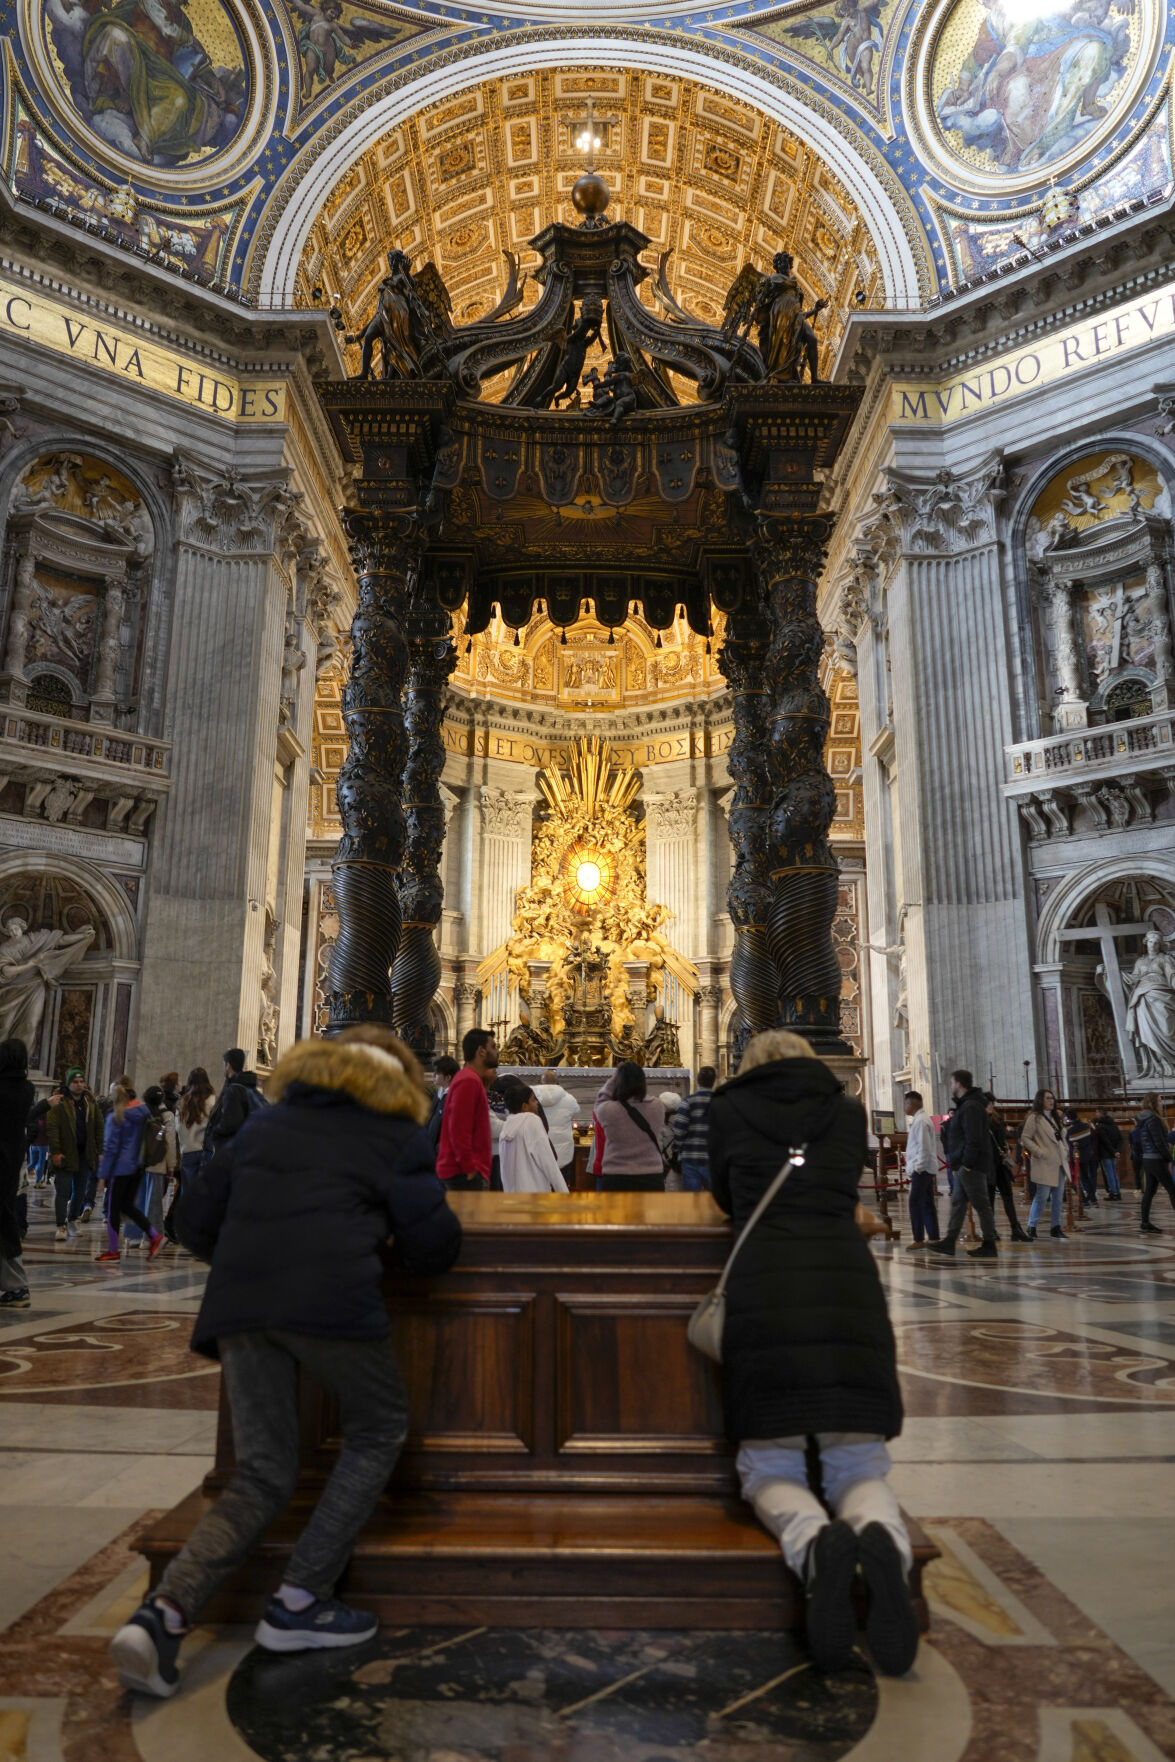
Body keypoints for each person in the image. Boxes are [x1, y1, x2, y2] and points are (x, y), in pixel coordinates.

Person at [109, 1026, 462, 1699]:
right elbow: (434, 1243)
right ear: (393, 1079)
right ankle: (300, 1599)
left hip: (241, 1306)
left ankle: (161, 1617)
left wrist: (252, 1256)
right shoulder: (392, 1131)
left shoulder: (269, 1126)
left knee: (262, 1473)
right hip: (331, 1299)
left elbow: (191, 1220)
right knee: (378, 1426)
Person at [708, 1029, 917, 1678]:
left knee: (770, 1463)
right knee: (855, 1458)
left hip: (764, 1281)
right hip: (844, 1279)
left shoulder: (727, 1108)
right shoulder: (846, 1109)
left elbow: (723, 1194)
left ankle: (813, 1546)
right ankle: (881, 1539)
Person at [926, 1071, 998, 1261]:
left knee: (981, 1205)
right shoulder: (968, 1105)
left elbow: (973, 1137)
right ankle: (949, 1241)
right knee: (958, 1203)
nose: (950, 1086)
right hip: (963, 1164)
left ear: (958, 1084)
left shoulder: (971, 1106)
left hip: (970, 1165)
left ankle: (990, 1244)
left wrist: (967, 1163)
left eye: (951, 1082)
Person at [95, 1080, 164, 1263]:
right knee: (127, 1206)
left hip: (120, 1169)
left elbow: (110, 1148)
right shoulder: (142, 1113)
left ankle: (112, 1250)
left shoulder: (115, 1117)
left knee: (112, 1210)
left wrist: (102, 1175)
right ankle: (154, 1235)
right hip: (137, 1167)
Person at [592, 1062, 671, 1192]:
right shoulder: (657, 1106)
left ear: (619, 1082)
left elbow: (600, 1102)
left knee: (617, 1213)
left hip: (616, 1175)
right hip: (651, 1174)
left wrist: (613, 1079)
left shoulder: (609, 1109)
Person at [435, 1029, 498, 1190]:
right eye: (493, 1046)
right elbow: (458, 1129)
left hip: (466, 1171)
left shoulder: (471, 1079)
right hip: (462, 1173)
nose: (497, 1051)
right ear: (481, 1051)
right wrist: (470, 1168)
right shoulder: (468, 1081)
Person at [46, 1068, 102, 1240]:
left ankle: (73, 1220)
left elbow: (99, 1128)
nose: (79, 1085)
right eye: (75, 1082)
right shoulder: (59, 1103)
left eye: (81, 1081)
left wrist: (99, 1151)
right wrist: (55, 1151)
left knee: (80, 1190)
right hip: (65, 1152)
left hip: (84, 1153)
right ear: (69, 1084)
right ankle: (61, 1225)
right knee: (64, 1190)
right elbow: (52, 1128)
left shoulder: (90, 1103)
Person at [0, 1038, 35, 1309]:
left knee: (5, 1223)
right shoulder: (27, 1089)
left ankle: (18, 1285)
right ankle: (16, 1285)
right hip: (11, 1163)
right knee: (6, 1219)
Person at [498, 1083, 570, 1194]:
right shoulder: (532, 1121)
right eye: (533, 1100)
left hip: (511, 1195)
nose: (537, 1103)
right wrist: (564, 1193)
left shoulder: (507, 1126)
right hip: (534, 1195)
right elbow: (548, 1162)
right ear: (524, 1106)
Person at [1020, 1088, 1068, 1239]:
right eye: (1048, 1098)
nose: (1051, 1101)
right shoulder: (1034, 1117)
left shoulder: (1055, 1118)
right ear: (1040, 1100)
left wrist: (1065, 1149)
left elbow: (1061, 1137)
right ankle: (1031, 1226)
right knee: (1042, 1195)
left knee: (1059, 1196)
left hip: (1059, 1161)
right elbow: (1025, 1138)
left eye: (1052, 1098)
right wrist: (1039, 1152)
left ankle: (1056, 1226)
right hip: (1044, 1161)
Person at [204, 1048, 267, 1163]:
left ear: (228, 1065)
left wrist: (216, 1132)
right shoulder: (251, 1089)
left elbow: (231, 1123)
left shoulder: (233, 1090)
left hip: (233, 1153)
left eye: (224, 1064)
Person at [985, 1094, 1029, 1242]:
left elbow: (1001, 1139)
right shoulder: (979, 1120)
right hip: (988, 1166)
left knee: (1008, 1196)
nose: (991, 1105)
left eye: (992, 1102)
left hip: (1001, 1164)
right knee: (989, 1200)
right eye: (988, 1103)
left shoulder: (997, 1119)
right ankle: (991, 1230)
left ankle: (1015, 1229)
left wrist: (1008, 1147)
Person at [175, 1068, 216, 1228]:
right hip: (206, 1151)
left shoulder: (183, 1102)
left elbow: (178, 1128)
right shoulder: (212, 1100)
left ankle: (190, 1227)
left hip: (187, 1151)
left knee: (189, 1192)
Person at [141, 1084, 179, 1242]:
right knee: (154, 1202)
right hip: (158, 1163)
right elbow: (169, 1142)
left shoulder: (140, 1112)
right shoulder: (167, 1116)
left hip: (140, 1163)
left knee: (139, 1199)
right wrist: (172, 1165)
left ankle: (135, 1235)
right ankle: (151, 1237)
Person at [902, 1091, 940, 1248]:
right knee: (926, 1202)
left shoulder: (921, 1122)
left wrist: (917, 1168)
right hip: (922, 1169)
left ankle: (918, 1239)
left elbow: (923, 1148)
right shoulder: (920, 1119)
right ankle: (933, 1237)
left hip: (922, 1170)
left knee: (915, 1203)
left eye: (905, 1104)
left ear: (911, 1104)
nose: (904, 1107)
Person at [1136, 1093, 1175, 1237]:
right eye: (1159, 1100)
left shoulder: (1144, 1118)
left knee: (1150, 1191)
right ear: (1153, 1102)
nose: (1161, 1103)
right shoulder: (1153, 1119)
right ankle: (1145, 1223)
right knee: (1172, 1189)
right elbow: (1159, 1142)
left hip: (1148, 1158)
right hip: (1157, 1159)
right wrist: (1169, 1158)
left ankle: (1145, 1223)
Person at [531, 1076, 580, 1188]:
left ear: (539, 1082)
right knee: (561, 1187)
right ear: (558, 1083)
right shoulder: (569, 1098)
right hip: (563, 1152)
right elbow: (576, 1110)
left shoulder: (531, 1098)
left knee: (540, 1188)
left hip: (540, 1150)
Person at [674, 1066, 717, 1193]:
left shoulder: (688, 1101)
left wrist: (678, 1148)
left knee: (692, 1199)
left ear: (698, 1080)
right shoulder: (721, 1100)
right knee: (715, 1200)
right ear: (714, 1081)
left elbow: (679, 1130)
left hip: (691, 1156)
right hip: (713, 1157)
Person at [1065, 1108, 1099, 1208]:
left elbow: (1067, 1142)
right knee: (1086, 1178)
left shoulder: (1069, 1130)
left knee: (1073, 1179)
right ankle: (1093, 1199)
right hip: (1086, 1155)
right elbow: (1090, 1139)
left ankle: (1083, 1200)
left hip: (1074, 1157)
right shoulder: (1086, 1126)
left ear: (1068, 1118)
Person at [426, 1056, 459, 1152]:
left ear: (448, 1077)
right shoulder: (439, 1093)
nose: (433, 1076)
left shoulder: (454, 1097)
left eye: (437, 1074)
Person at [1093, 1108, 1123, 1201]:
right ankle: (1117, 1192)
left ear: (1101, 1113)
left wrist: (1113, 1151)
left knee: (1109, 1173)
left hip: (1105, 1153)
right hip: (1113, 1153)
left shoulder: (1100, 1126)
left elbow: (1105, 1141)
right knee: (1113, 1172)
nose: (1096, 1114)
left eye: (1097, 1112)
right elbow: (1120, 1139)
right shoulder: (1114, 1124)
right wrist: (1117, 1151)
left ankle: (1113, 1193)